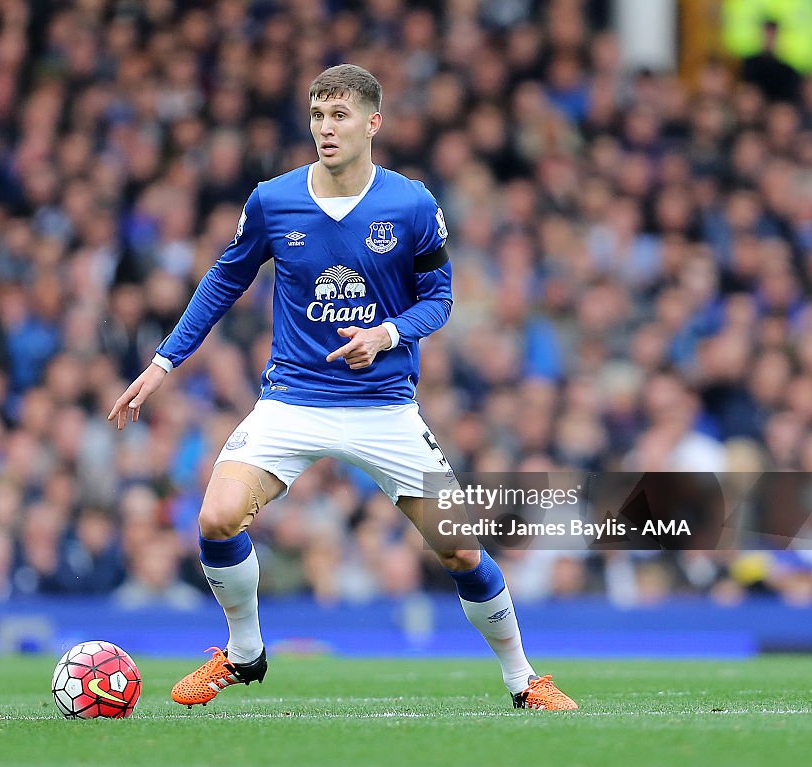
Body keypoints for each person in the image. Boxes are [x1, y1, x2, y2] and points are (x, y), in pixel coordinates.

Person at [108, 64, 577, 711]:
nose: (326, 128)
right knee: (216, 516)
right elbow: (223, 280)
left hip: (383, 406)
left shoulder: (410, 203)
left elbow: (440, 298)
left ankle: (524, 679)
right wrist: (164, 361)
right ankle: (244, 654)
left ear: (372, 123)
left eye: (340, 116)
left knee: (461, 548)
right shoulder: (273, 200)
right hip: (292, 400)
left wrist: (387, 335)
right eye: (318, 116)